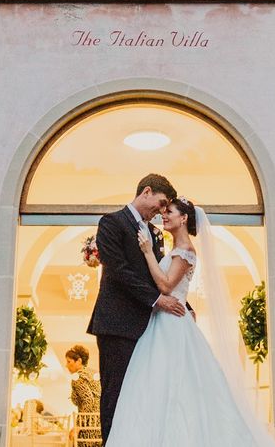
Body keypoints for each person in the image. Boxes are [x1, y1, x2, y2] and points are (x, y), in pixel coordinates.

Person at [105, 197, 275, 447]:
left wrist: (147, 253)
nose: (163, 216)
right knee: (156, 388)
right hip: (163, 322)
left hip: (172, 325)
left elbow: (166, 285)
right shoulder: (174, 251)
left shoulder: (186, 251)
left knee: (176, 385)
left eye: (169, 212)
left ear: (184, 218)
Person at [87, 173, 185, 445]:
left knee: (140, 398)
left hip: (147, 329)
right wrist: (157, 301)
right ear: (147, 191)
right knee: (115, 396)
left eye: (167, 207)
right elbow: (119, 271)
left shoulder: (153, 233)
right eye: (162, 202)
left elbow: (162, 274)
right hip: (117, 326)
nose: (162, 210)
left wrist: (183, 304)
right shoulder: (111, 223)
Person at [65, 345, 101, 443]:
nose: (66, 365)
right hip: (99, 424)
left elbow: (88, 400)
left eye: (69, 362)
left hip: (89, 427)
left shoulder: (78, 377)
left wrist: (77, 427)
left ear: (79, 361)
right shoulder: (92, 373)